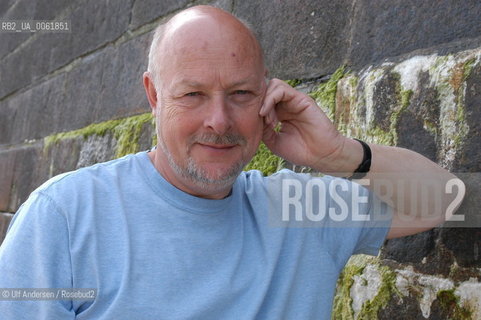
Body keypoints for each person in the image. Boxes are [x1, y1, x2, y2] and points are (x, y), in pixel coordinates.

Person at [0, 5, 464, 319]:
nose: (219, 121)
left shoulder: (298, 210)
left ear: (267, 96)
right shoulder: (64, 217)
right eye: (193, 95)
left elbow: (451, 201)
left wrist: (339, 154)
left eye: (241, 94)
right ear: (154, 95)